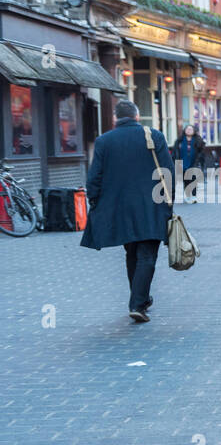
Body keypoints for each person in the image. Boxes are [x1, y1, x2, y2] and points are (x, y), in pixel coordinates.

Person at [79, 100, 174, 324]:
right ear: (137, 117)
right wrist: (167, 202)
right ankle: (137, 302)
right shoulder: (154, 136)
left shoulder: (104, 141)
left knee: (131, 252)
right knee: (147, 254)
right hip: (151, 204)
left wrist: (94, 201)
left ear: (115, 118)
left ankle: (139, 299)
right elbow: (167, 171)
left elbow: (95, 177)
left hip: (119, 208)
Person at [172, 124, 205, 204]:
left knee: (193, 179)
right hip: (182, 163)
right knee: (186, 180)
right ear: (184, 130)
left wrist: (199, 160)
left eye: (190, 129)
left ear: (194, 131)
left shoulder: (198, 140)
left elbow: (201, 151)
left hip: (194, 162)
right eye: (187, 129)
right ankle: (187, 196)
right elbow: (175, 151)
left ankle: (193, 196)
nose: (189, 130)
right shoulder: (179, 140)